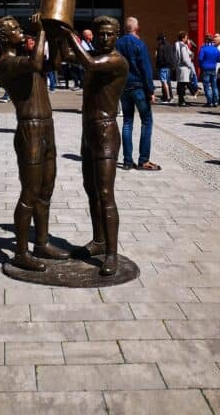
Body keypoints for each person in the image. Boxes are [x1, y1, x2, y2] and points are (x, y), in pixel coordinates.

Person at [0, 15, 67, 271]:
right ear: (3, 38)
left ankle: (42, 243)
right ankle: (21, 252)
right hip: (30, 130)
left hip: (47, 126)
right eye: (14, 28)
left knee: (46, 189)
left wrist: (57, 36)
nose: (20, 30)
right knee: (30, 192)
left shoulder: (24, 60)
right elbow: (36, 62)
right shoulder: (7, 63)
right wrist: (42, 31)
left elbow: (54, 63)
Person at [64, 15, 130, 276]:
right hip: (88, 131)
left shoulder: (115, 61)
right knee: (90, 189)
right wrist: (53, 32)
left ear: (116, 36)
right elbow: (66, 57)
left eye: (108, 34)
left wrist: (69, 33)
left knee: (105, 193)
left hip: (105, 131)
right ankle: (99, 240)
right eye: (100, 34)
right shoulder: (93, 55)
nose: (103, 38)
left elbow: (88, 62)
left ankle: (111, 254)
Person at [115, 16, 160, 171]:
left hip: (124, 87)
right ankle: (143, 160)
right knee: (146, 121)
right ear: (136, 28)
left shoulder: (117, 44)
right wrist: (151, 90)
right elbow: (146, 69)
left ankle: (127, 161)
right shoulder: (139, 44)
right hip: (139, 87)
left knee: (127, 122)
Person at [198, 34, 220, 107]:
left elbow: (200, 59)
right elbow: (219, 59)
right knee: (214, 85)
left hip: (205, 69)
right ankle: (216, 101)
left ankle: (209, 101)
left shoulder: (203, 49)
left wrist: (201, 65)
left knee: (207, 86)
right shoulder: (216, 49)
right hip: (213, 68)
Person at [174, 31, 195, 106]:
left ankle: (181, 100)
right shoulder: (182, 46)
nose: (187, 39)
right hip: (184, 67)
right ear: (183, 38)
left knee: (180, 84)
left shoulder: (177, 44)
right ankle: (182, 101)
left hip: (179, 67)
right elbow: (185, 58)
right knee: (182, 85)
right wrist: (190, 65)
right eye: (186, 37)